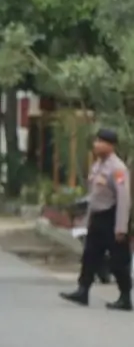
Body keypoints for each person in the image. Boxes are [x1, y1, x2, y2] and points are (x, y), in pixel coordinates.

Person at [60, 128, 132, 310]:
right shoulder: (98, 165)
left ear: (110, 145)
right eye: (97, 140)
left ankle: (125, 297)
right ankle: (83, 291)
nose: (96, 144)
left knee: (118, 261)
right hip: (97, 218)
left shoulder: (118, 169)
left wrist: (121, 227)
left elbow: (124, 200)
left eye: (101, 141)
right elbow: (95, 195)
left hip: (112, 217)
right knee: (90, 256)